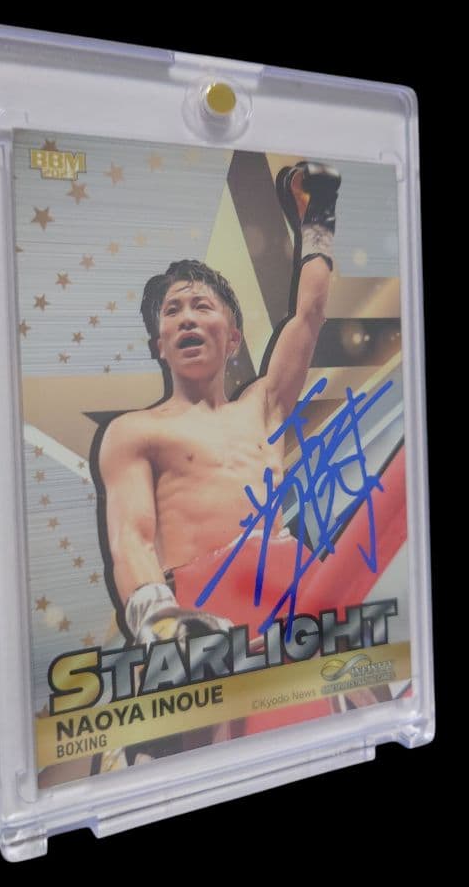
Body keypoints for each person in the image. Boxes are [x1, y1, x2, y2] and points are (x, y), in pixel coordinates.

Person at [97, 163, 391, 756]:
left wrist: (319, 213)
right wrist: (160, 619)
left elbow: (309, 315)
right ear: (159, 343)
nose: (186, 316)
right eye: (172, 311)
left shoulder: (264, 407)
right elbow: (132, 536)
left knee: (361, 726)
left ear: (232, 336)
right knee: (207, 768)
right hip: (199, 608)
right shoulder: (133, 432)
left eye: (201, 305)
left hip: (295, 591)